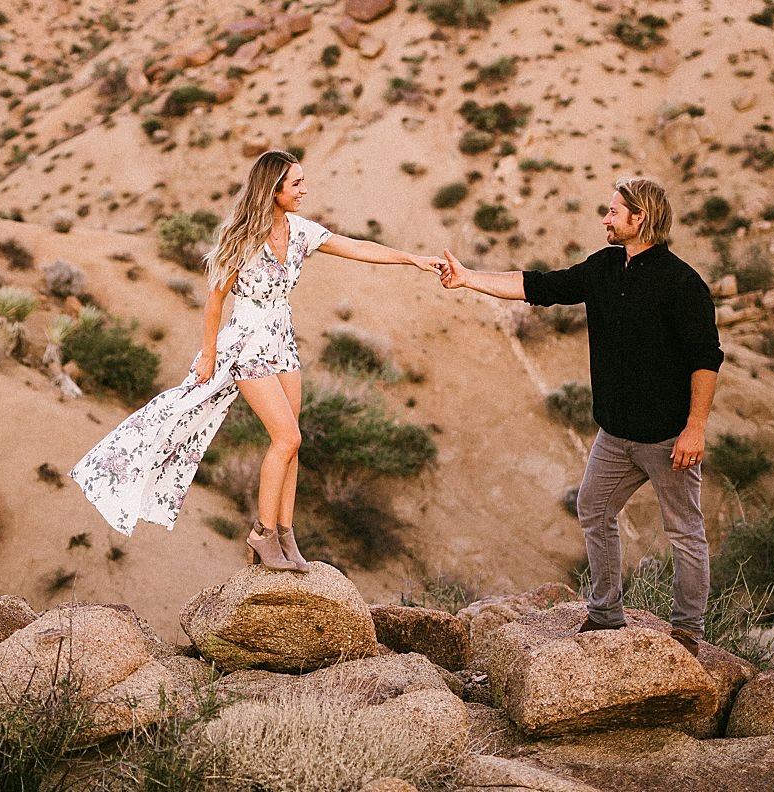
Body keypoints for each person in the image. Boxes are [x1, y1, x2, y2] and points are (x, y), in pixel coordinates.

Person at [70, 149, 445, 570]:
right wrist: (209, 353)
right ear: (274, 189)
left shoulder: (299, 231)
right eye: (296, 184)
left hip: (282, 340)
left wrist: (411, 259)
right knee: (287, 438)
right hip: (246, 343)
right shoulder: (243, 237)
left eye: (304, 181)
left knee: (292, 442)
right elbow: (215, 298)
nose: (305, 190)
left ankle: (286, 534)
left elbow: (356, 246)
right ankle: (262, 534)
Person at [438, 177, 722, 654]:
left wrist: (695, 429)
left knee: (685, 532)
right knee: (593, 508)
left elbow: (706, 358)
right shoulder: (605, 267)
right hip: (614, 435)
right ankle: (606, 614)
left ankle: (688, 632)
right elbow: (539, 286)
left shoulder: (681, 283)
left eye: (614, 212)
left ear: (641, 218)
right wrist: (468, 278)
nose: (606, 220)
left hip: (666, 439)